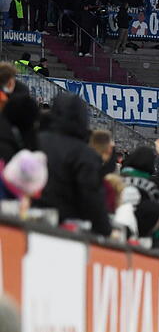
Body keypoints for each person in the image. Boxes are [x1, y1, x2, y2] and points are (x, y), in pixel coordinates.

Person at [33, 93, 111, 236]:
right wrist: (106, 230)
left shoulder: (34, 140)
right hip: (64, 231)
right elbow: (92, 198)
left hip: (27, 220)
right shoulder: (85, 154)